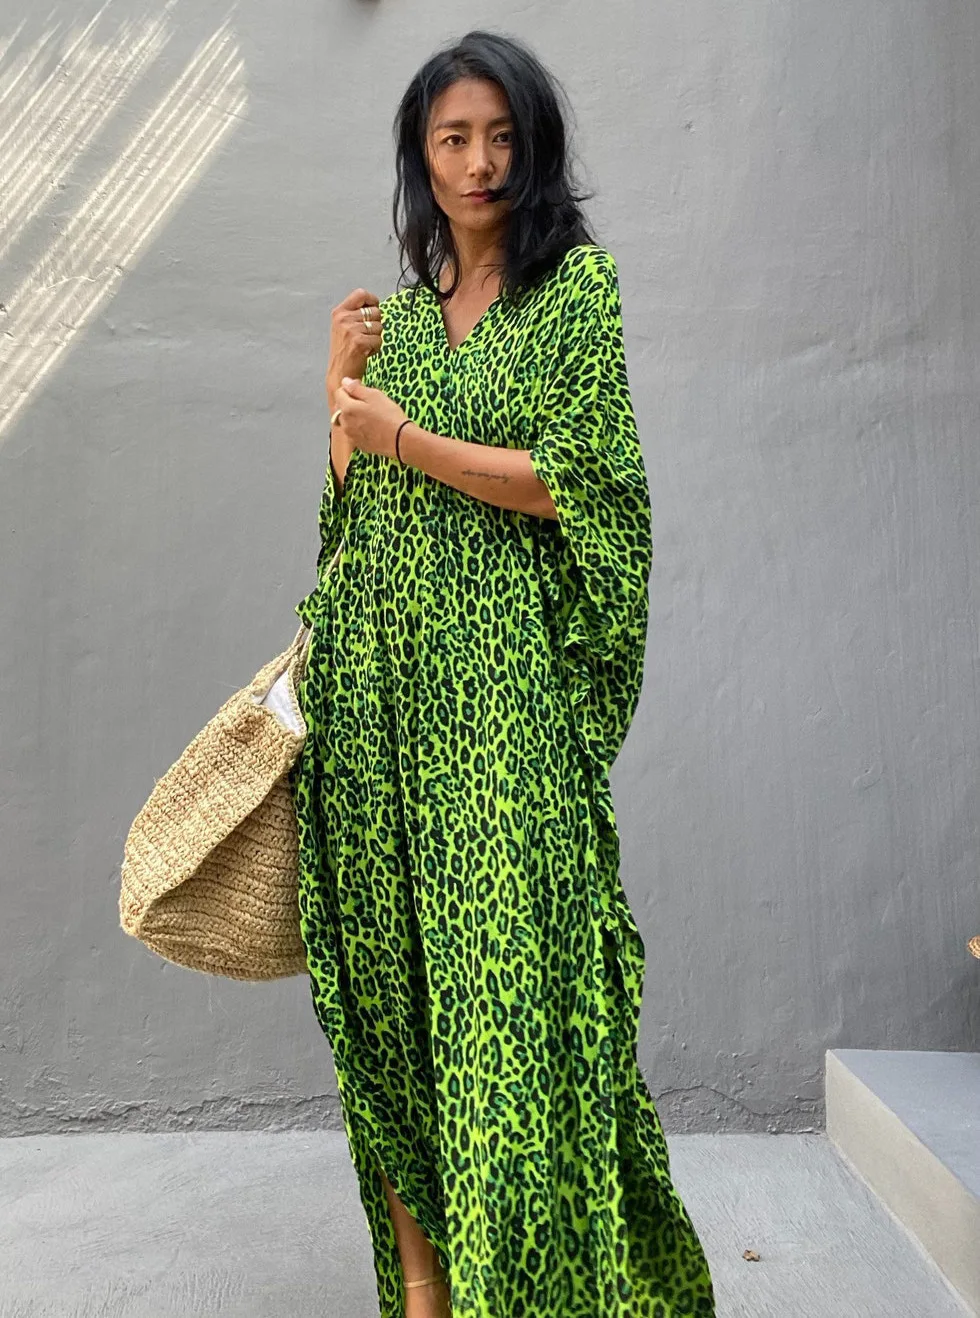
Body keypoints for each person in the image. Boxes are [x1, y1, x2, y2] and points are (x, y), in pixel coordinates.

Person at [288, 28, 716, 1318]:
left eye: (502, 135)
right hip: (372, 697)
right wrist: (339, 391)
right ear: (422, 159)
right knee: (388, 992)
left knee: (505, 995)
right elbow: (354, 520)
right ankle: (424, 1284)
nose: (479, 162)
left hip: (498, 699)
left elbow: (583, 488)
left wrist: (402, 432)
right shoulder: (400, 318)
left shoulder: (575, 296)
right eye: (451, 138)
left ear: (536, 149)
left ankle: (532, 1280)